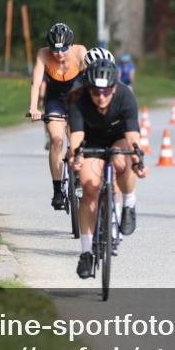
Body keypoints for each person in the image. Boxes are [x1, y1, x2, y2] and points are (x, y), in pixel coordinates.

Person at [67, 59, 146, 279]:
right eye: (95, 92)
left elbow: (132, 136)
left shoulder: (125, 96)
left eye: (106, 92)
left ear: (114, 88)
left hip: (118, 137)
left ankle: (128, 203)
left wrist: (138, 158)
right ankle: (86, 253)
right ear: (88, 89)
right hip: (90, 141)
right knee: (90, 189)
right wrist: (76, 156)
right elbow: (77, 136)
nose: (101, 97)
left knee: (124, 161)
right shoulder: (77, 98)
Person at [28, 23, 88, 210]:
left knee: (76, 140)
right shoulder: (43, 54)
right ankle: (57, 190)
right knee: (56, 140)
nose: (60, 53)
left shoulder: (80, 52)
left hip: (76, 98)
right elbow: (36, 83)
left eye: (64, 48)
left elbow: (91, 78)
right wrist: (33, 107)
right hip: (55, 99)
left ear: (71, 45)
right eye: (55, 49)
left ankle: (78, 175)